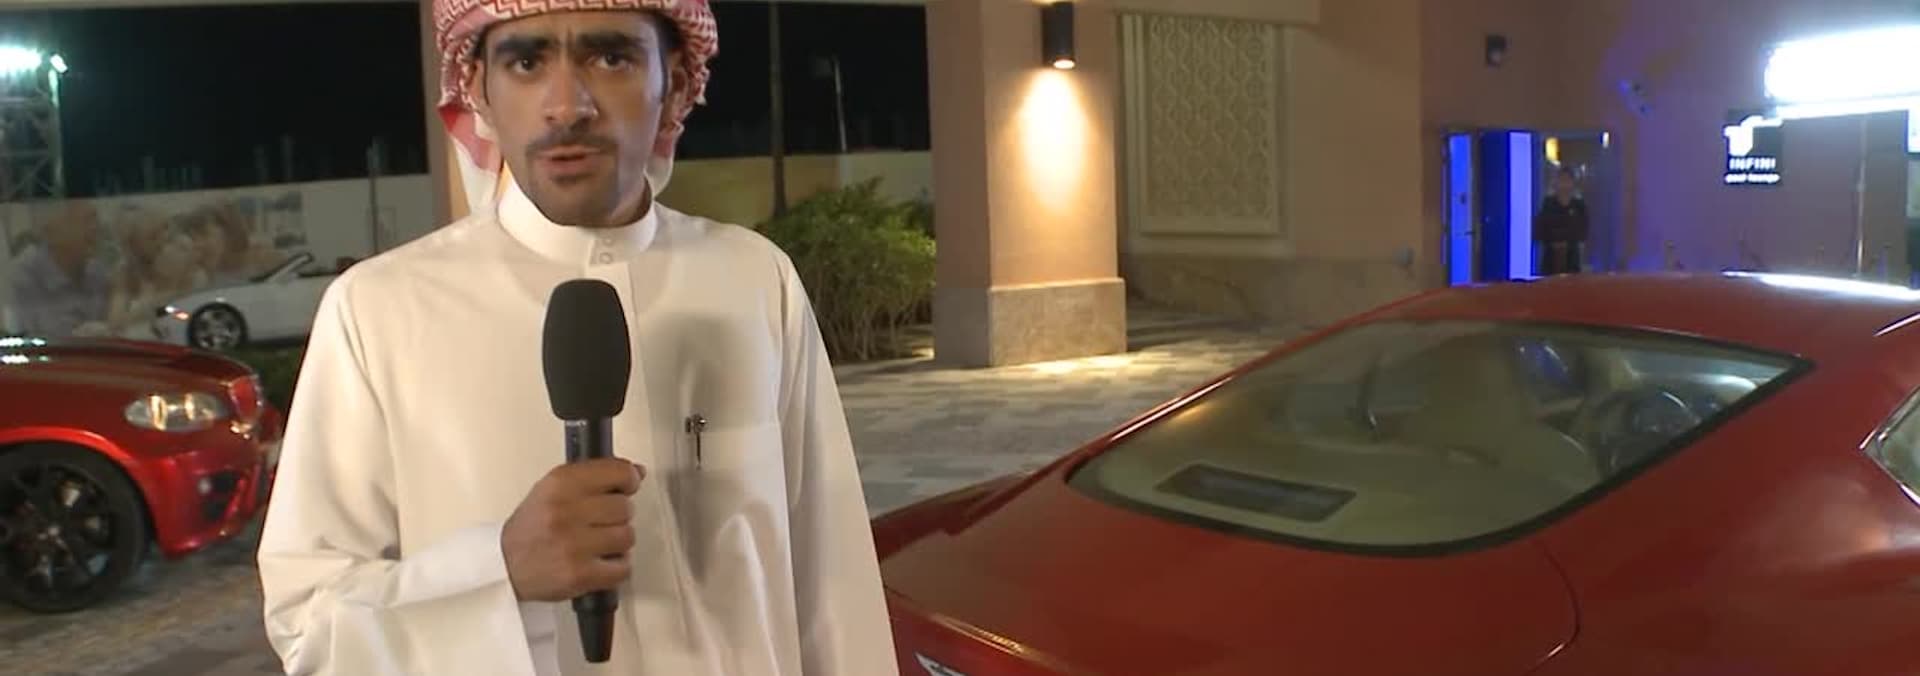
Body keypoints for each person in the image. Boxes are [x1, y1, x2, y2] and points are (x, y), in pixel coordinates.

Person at [254, 2, 898, 675]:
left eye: (611, 57)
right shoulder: (378, 310)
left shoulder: (754, 278)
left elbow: (832, 584)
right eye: (527, 62)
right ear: (477, 89)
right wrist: (498, 569)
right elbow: (308, 624)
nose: (567, 106)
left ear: (675, 83)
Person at [6, 201, 113, 337]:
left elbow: (115, 325)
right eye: (86, 221)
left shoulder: (97, 271)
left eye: (95, 220)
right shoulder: (26, 276)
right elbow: (42, 336)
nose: (96, 228)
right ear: (52, 234)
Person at [1535, 167, 1590, 276]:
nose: (1564, 184)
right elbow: (1540, 230)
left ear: (1573, 183)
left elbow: (1583, 230)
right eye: (1561, 180)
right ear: (1556, 182)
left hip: (1572, 259)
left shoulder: (1579, 205)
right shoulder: (1548, 204)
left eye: (1568, 180)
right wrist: (1554, 242)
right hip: (1550, 259)